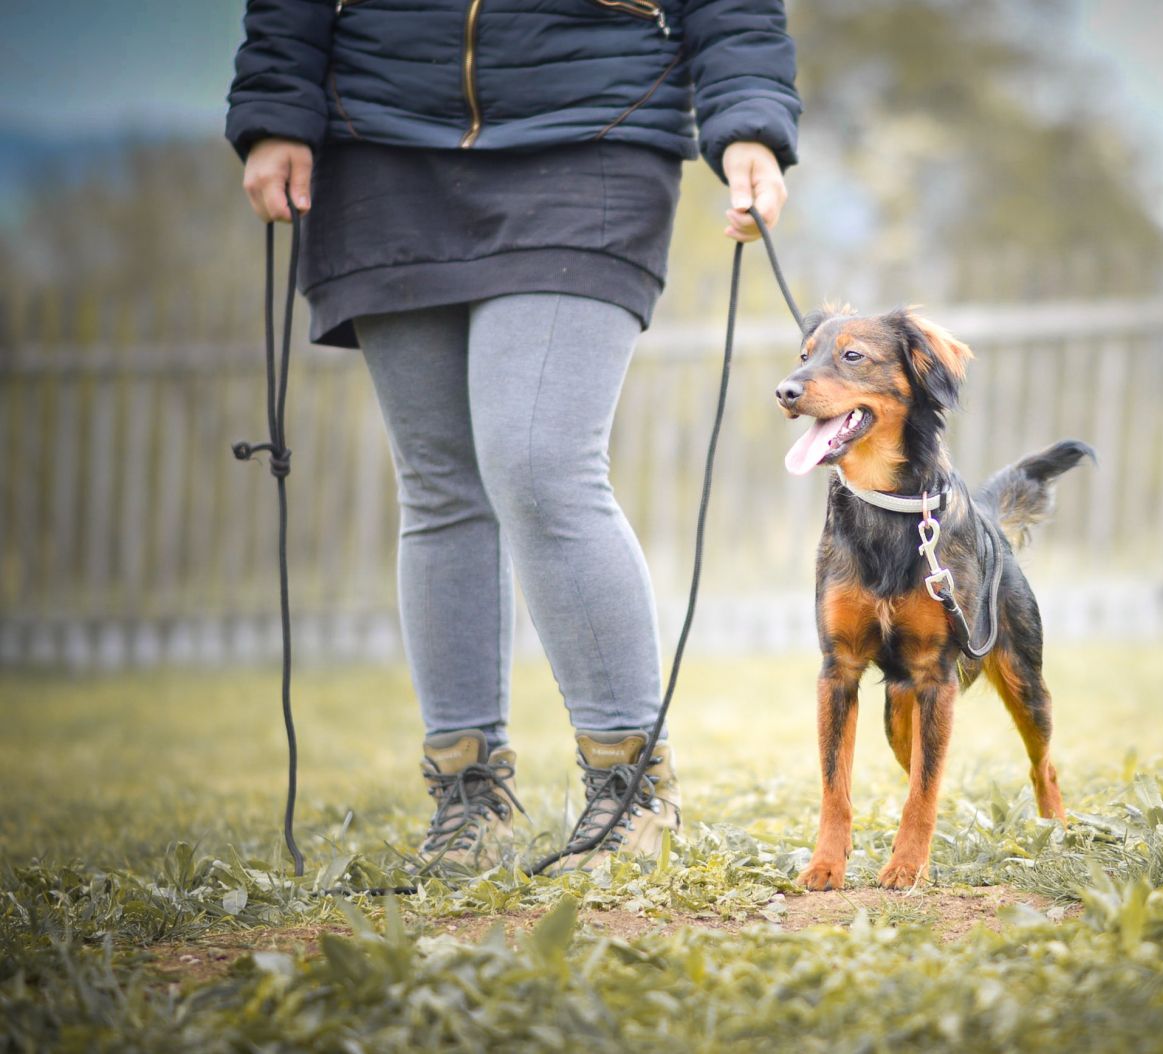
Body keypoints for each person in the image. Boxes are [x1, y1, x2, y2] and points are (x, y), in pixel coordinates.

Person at [225, 0, 800, 872]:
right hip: (379, 138)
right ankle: (468, 801)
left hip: (593, 122)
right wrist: (274, 105)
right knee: (439, 487)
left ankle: (630, 791)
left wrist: (749, 114)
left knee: (538, 464)